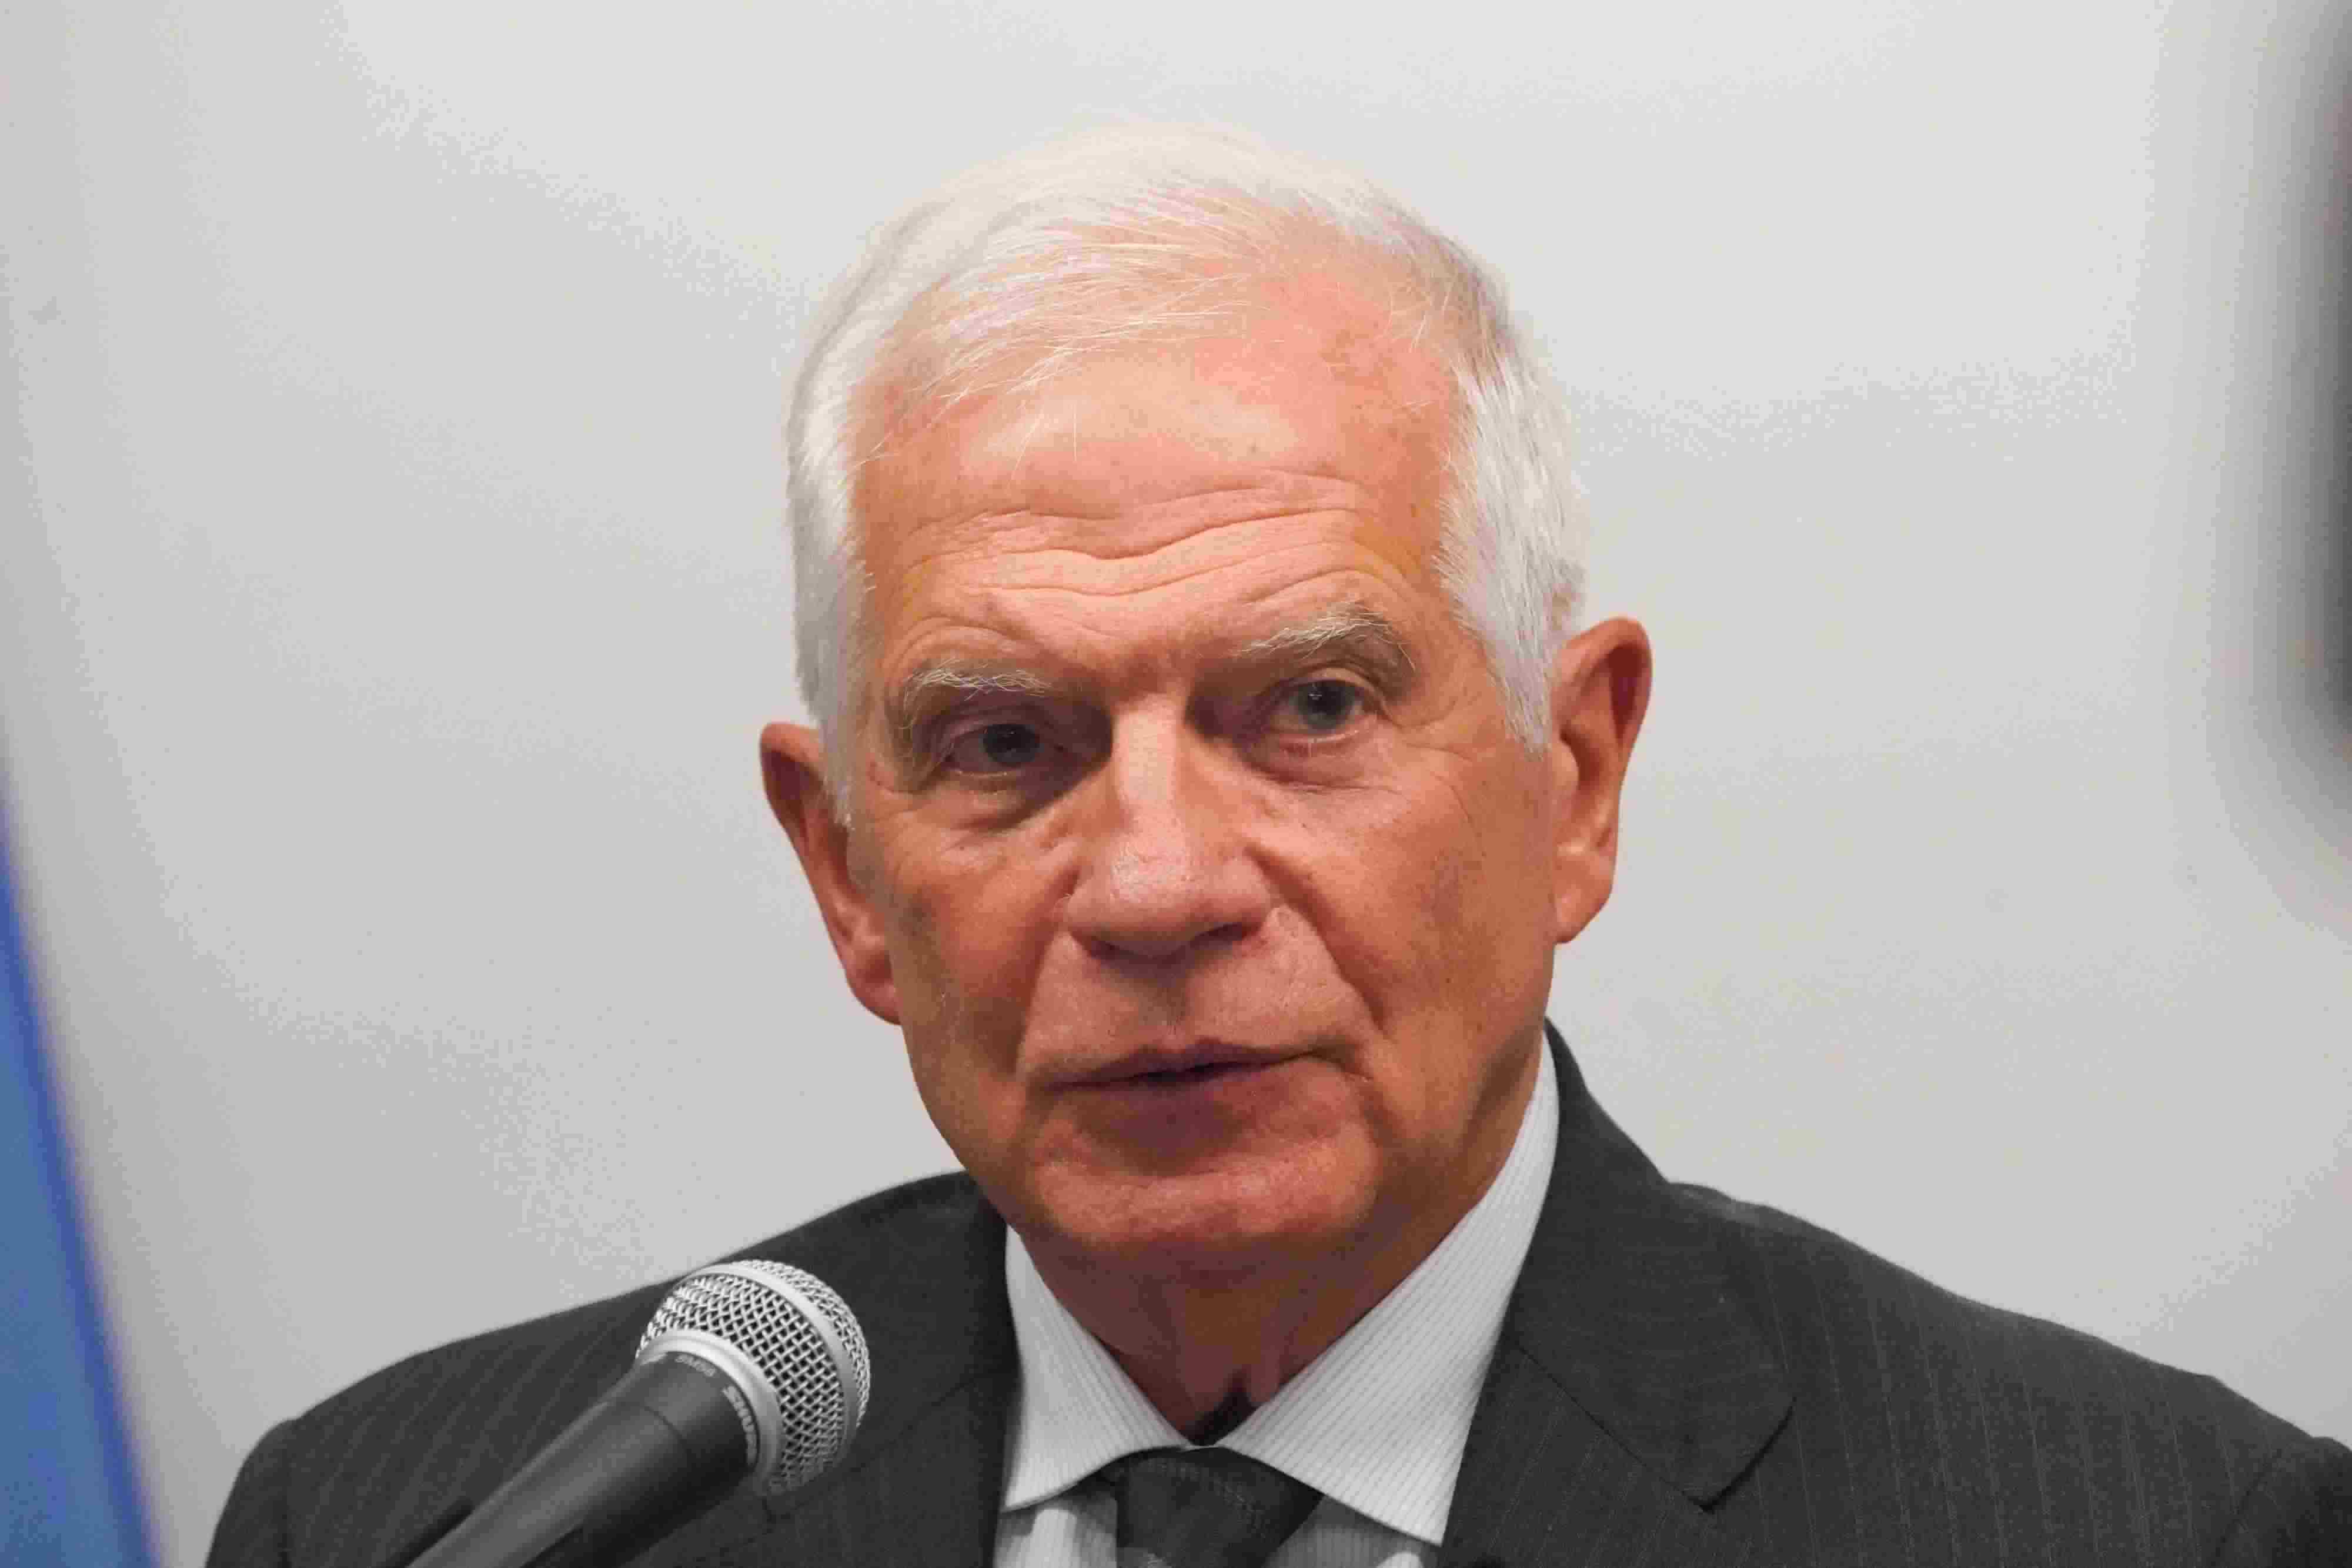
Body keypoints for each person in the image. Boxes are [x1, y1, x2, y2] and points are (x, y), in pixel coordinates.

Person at [208, 124, 2350, 1567]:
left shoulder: (2149, 1530)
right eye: (1007, 742)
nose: (1158, 886)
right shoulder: (411, 1521)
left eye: (1311, 708)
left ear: (1575, 774)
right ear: (846, 870)